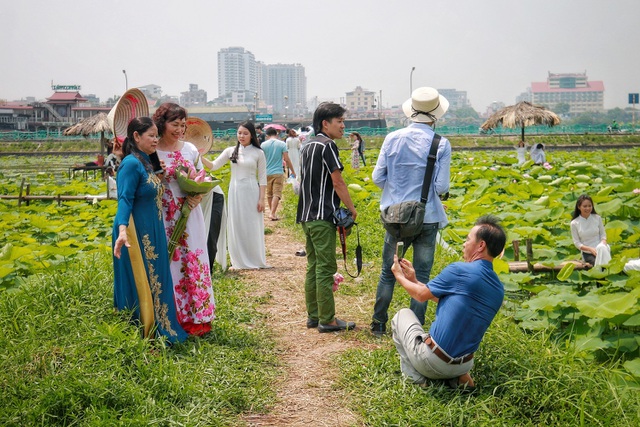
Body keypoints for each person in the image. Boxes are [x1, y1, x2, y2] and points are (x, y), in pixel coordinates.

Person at [390, 215, 507, 389]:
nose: (464, 244)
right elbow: (446, 299)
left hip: (433, 362)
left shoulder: (460, 270)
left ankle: (417, 380)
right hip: (465, 364)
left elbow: (421, 296)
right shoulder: (498, 288)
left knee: (402, 315)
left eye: (467, 240)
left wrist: (398, 275)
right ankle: (457, 378)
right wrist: (413, 279)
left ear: (481, 245)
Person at [370, 87, 451, 337]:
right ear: (435, 114)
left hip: (395, 218)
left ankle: (379, 323)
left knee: (388, 271)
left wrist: (397, 192)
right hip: (427, 217)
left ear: (410, 112)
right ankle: (414, 330)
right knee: (422, 275)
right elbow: (441, 186)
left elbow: (377, 177)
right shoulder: (441, 143)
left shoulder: (392, 138)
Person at [112, 117, 187, 344]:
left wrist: (158, 174)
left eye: (157, 135)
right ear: (136, 136)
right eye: (151, 136)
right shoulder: (131, 164)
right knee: (142, 280)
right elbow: (124, 199)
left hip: (152, 228)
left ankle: (162, 325)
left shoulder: (145, 161)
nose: (156, 140)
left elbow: (150, 189)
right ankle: (142, 332)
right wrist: (122, 230)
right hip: (135, 232)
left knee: (156, 277)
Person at [153, 103, 215, 336]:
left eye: (182, 125)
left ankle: (198, 318)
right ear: (161, 124)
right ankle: (171, 317)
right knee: (171, 263)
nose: (179, 129)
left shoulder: (190, 149)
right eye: (174, 124)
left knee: (194, 260)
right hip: (164, 213)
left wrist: (197, 196)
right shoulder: (153, 150)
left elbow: (202, 177)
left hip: (190, 213)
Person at [296, 102, 357, 333]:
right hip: (322, 217)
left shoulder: (307, 145)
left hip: (306, 215)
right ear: (325, 123)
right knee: (325, 268)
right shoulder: (328, 145)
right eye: (339, 121)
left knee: (313, 266)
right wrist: (351, 209)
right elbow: (337, 181)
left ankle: (314, 316)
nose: (343, 126)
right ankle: (328, 319)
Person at [209, 121, 269, 269]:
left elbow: (262, 178)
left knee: (252, 224)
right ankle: (239, 260)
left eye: (245, 133)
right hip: (235, 191)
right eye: (239, 133)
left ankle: (254, 259)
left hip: (251, 191)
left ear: (251, 135)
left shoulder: (258, 153)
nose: (241, 136)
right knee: (236, 223)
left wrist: (262, 199)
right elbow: (214, 166)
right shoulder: (230, 151)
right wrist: (199, 155)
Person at [262, 127, 296, 221]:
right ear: (276, 134)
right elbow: (286, 159)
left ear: (267, 135)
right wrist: (292, 171)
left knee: (269, 194)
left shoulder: (263, 145)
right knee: (277, 193)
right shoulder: (282, 144)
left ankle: (272, 212)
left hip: (266, 172)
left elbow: (261, 159)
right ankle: (272, 213)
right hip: (278, 172)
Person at [570, 194, 610, 266]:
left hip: (601, 249)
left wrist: (603, 242)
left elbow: (603, 235)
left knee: (606, 263)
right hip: (588, 252)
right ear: (579, 207)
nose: (588, 208)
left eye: (589, 206)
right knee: (599, 265)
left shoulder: (597, 218)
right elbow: (577, 243)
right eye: (585, 206)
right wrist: (590, 249)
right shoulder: (574, 223)